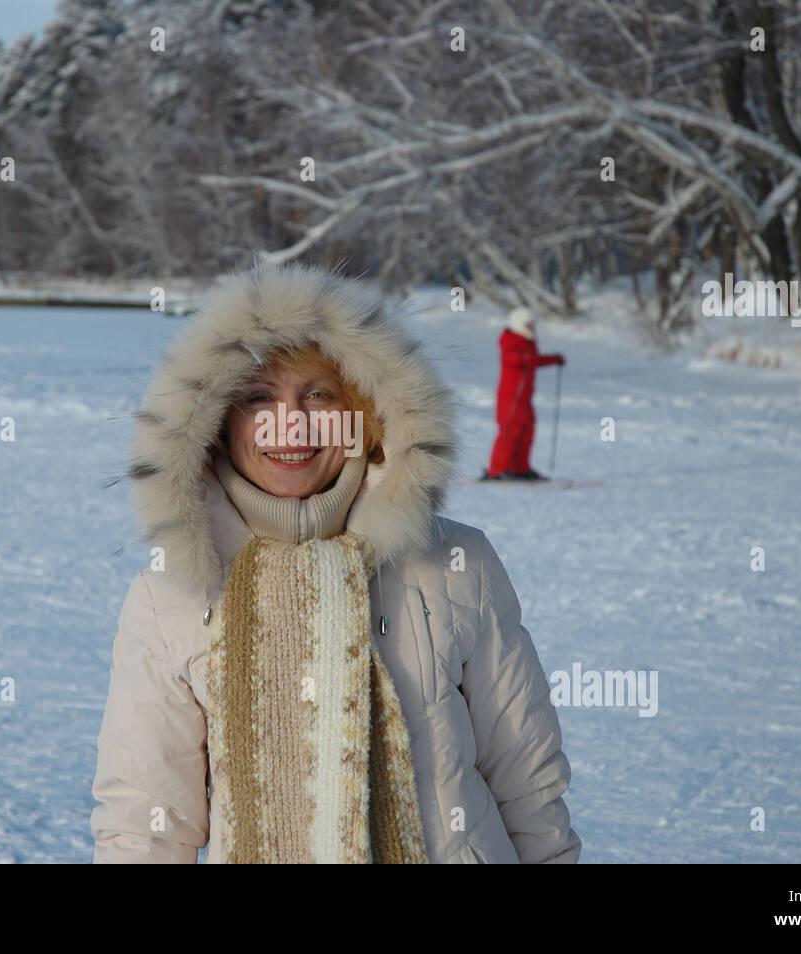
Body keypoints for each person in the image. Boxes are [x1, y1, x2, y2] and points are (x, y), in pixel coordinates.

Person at [91, 262, 581, 864]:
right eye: (257, 398)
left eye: (318, 394)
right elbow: (145, 822)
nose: (289, 424)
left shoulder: (457, 564)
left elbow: (526, 779)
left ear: (365, 411)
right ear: (216, 423)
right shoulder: (171, 591)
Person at [483, 305, 565, 481]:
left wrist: (554, 359)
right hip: (511, 397)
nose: (532, 328)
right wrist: (529, 359)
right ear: (519, 324)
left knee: (527, 431)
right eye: (529, 324)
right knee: (509, 431)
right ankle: (497, 470)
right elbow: (515, 359)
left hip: (525, 398)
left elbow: (533, 360)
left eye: (532, 324)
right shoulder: (509, 341)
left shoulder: (528, 342)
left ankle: (520, 468)